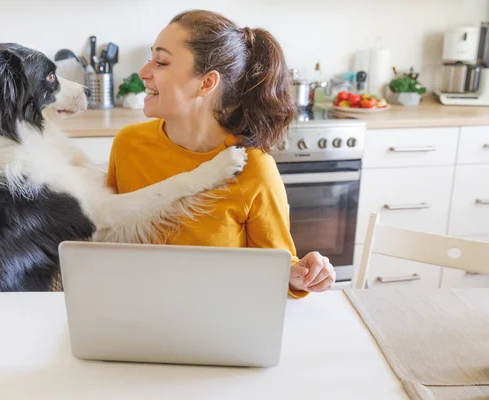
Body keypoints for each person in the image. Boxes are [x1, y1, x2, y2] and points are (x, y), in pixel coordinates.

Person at [106, 9, 335, 297]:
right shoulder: (128, 145)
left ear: (207, 83)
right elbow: (104, 237)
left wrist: (301, 275)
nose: (144, 72)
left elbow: (277, 265)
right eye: (151, 58)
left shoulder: (253, 167)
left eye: (161, 62)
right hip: (134, 309)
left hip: (217, 321)